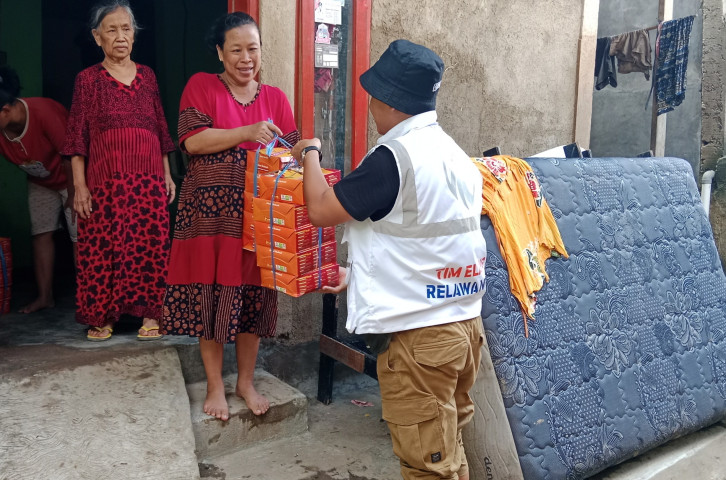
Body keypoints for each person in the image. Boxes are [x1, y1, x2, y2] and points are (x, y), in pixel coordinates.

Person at [293, 40, 487, 480]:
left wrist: (310, 154)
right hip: (463, 329)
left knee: (426, 466)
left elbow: (321, 208)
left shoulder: (394, 158)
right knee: (447, 451)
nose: (370, 109)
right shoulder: (454, 155)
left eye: (373, 100)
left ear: (391, 103)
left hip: (420, 342)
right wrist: (357, 276)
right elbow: (422, 241)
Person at [160, 12, 299, 420]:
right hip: (209, 219)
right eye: (235, 49)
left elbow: (288, 155)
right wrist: (245, 132)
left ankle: (245, 381)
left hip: (258, 219)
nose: (245, 58)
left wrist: (308, 149)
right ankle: (216, 385)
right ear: (220, 52)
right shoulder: (201, 86)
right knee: (211, 297)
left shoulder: (275, 97)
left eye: (252, 49)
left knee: (252, 297)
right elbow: (193, 140)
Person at [62, 1, 176, 342]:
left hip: (148, 179)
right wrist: (79, 187)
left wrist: (167, 175)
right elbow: (76, 138)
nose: (120, 36)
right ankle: (103, 317)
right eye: (111, 30)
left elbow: (159, 128)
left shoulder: (148, 77)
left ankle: (150, 314)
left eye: (126, 29)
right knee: (103, 249)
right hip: (105, 183)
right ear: (97, 38)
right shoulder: (87, 80)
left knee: (150, 247)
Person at [0, 67, 75, 313]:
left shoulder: (44, 112)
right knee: (40, 233)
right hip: (40, 182)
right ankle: (44, 296)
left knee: (79, 237)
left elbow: (71, 156)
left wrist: (74, 194)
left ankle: (89, 300)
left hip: (72, 177)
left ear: (5, 111)